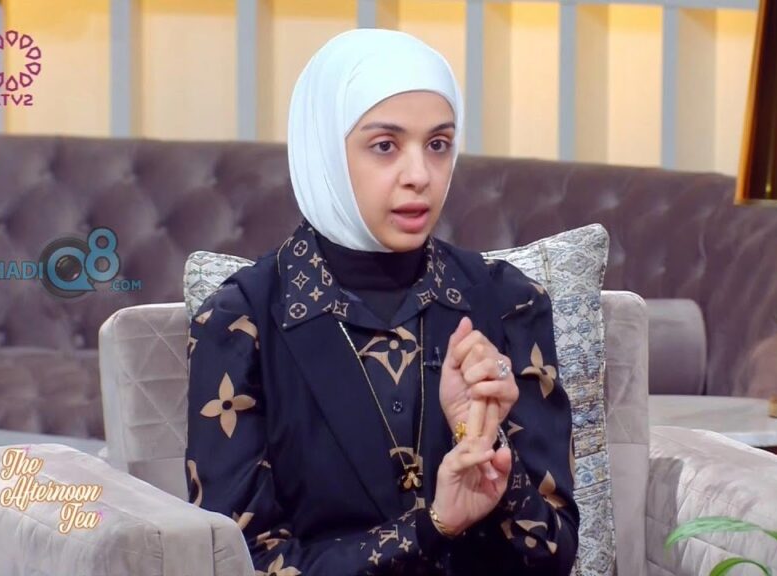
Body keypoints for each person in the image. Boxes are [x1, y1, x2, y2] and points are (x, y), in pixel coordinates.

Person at [184, 29, 579, 576]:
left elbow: (556, 556)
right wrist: (432, 526)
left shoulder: (509, 302)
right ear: (325, 150)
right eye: (385, 146)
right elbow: (241, 563)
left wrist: (486, 450)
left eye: (438, 145)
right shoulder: (241, 323)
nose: (419, 176)